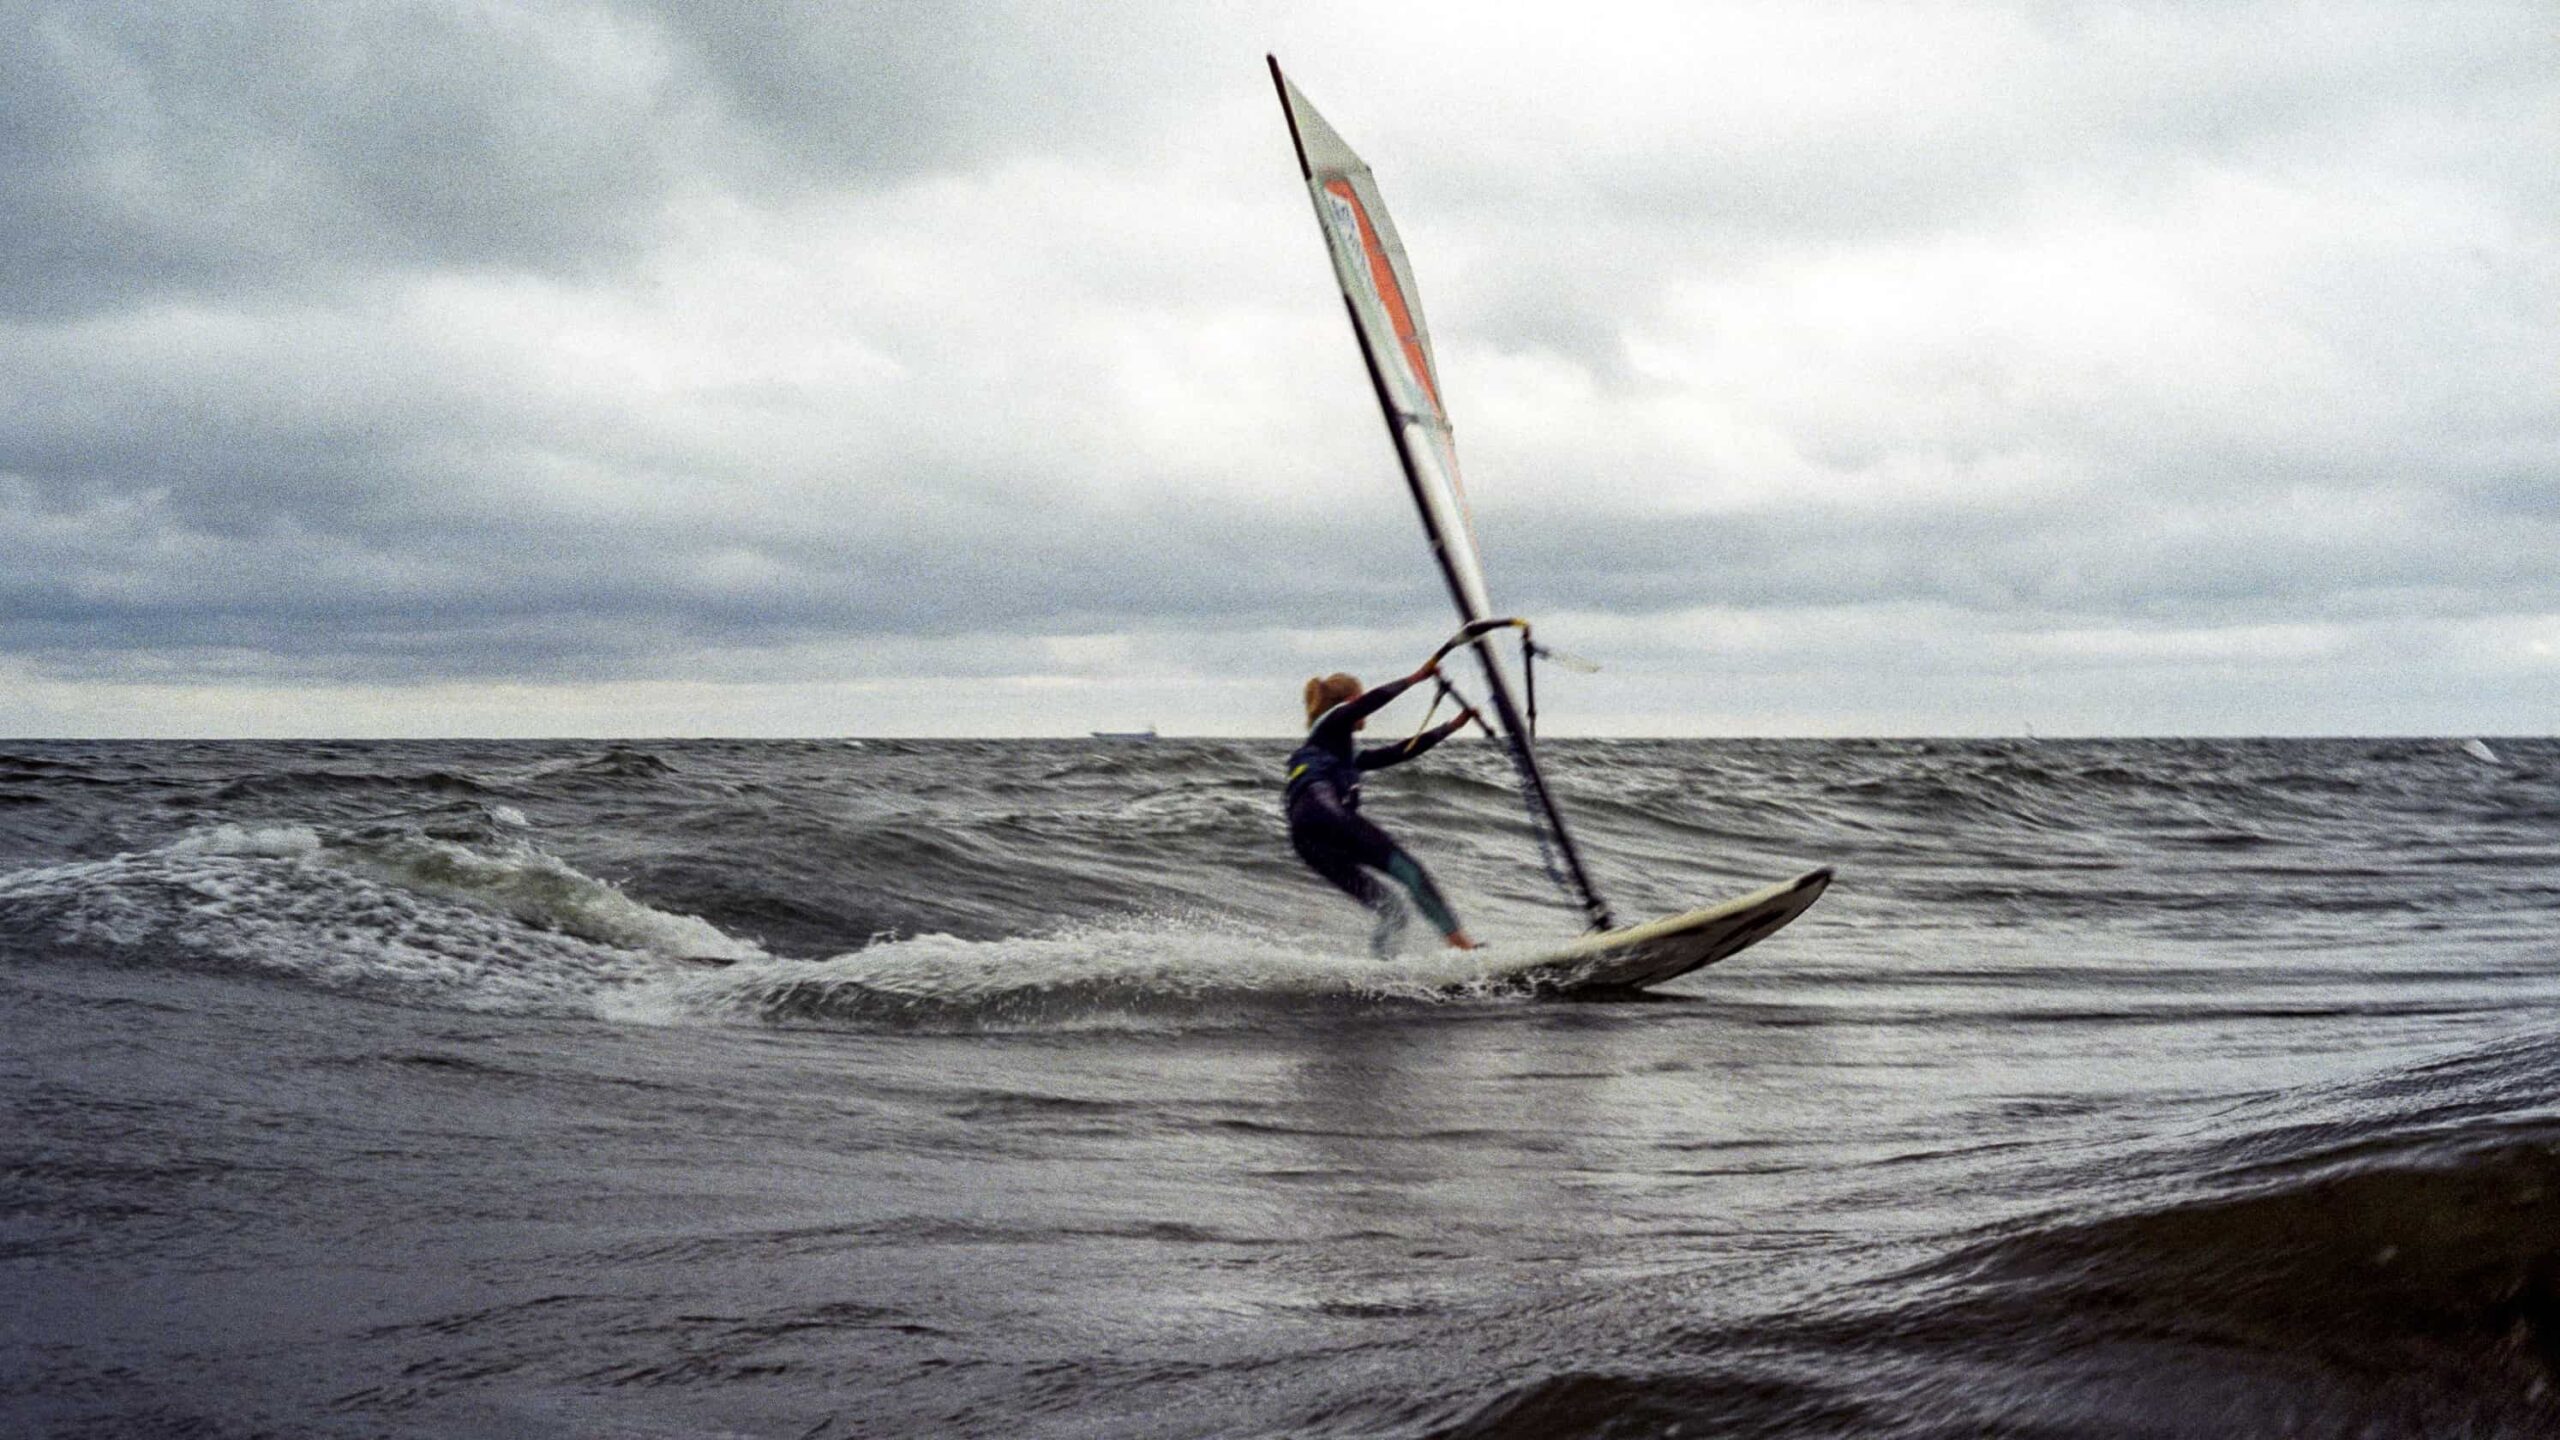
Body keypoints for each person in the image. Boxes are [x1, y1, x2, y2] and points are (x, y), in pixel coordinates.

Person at [1285, 662, 1482, 955]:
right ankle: (1465, 948)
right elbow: (1368, 703)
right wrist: (1414, 678)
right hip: (1325, 813)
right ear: (1352, 700)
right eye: (1359, 700)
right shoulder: (1332, 721)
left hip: (1307, 839)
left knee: (1392, 909)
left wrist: (1450, 727)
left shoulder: (1338, 749)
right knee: (1411, 873)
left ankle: (1380, 970)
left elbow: (1396, 753)